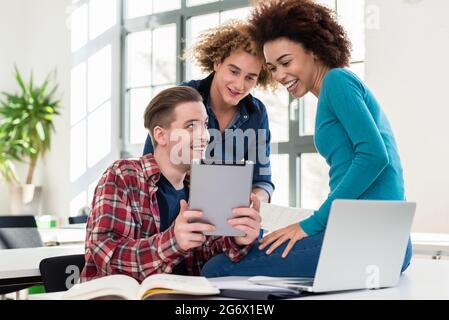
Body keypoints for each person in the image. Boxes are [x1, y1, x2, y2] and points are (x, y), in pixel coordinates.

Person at [201, 0, 412, 278]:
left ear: (313, 50)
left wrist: (312, 224)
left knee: (217, 268)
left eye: (286, 62)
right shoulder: (330, 91)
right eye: (273, 67)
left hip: (375, 235)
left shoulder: (337, 81)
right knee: (250, 244)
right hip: (373, 233)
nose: (279, 75)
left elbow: (374, 156)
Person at [81, 86, 261, 282]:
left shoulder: (198, 186)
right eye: (191, 126)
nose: (205, 136)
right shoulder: (123, 175)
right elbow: (105, 255)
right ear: (161, 135)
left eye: (205, 124)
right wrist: (173, 242)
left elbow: (205, 257)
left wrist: (238, 238)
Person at [143, 20, 276, 203]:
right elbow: (150, 168)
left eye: (250, 78)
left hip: (229, 213)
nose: (239, 85)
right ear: (217, 62)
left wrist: (252, 200)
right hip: (173, 208)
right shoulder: (185, 99)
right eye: (234, 71)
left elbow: (262, 181)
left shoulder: (257, 113)